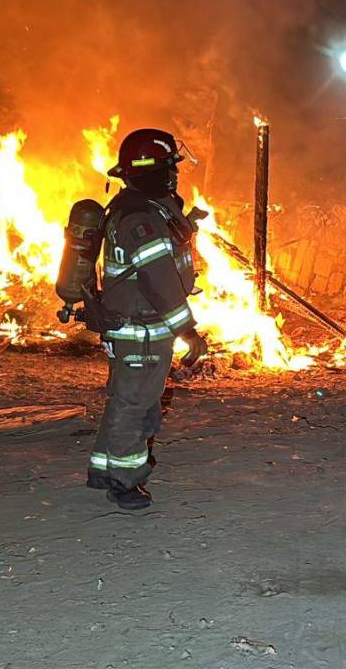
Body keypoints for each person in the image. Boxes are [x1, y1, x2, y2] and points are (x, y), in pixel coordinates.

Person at [89, 128, 208, 510]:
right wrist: (187, 330)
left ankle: (103, 469)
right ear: (155, 170)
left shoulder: (140, 208)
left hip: (134, 326)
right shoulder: (140, 218)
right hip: (140, 330)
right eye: (169, 167)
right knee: (136, 404)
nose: (174, 176)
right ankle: (124, 482)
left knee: (123, 399)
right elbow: (159, 280)